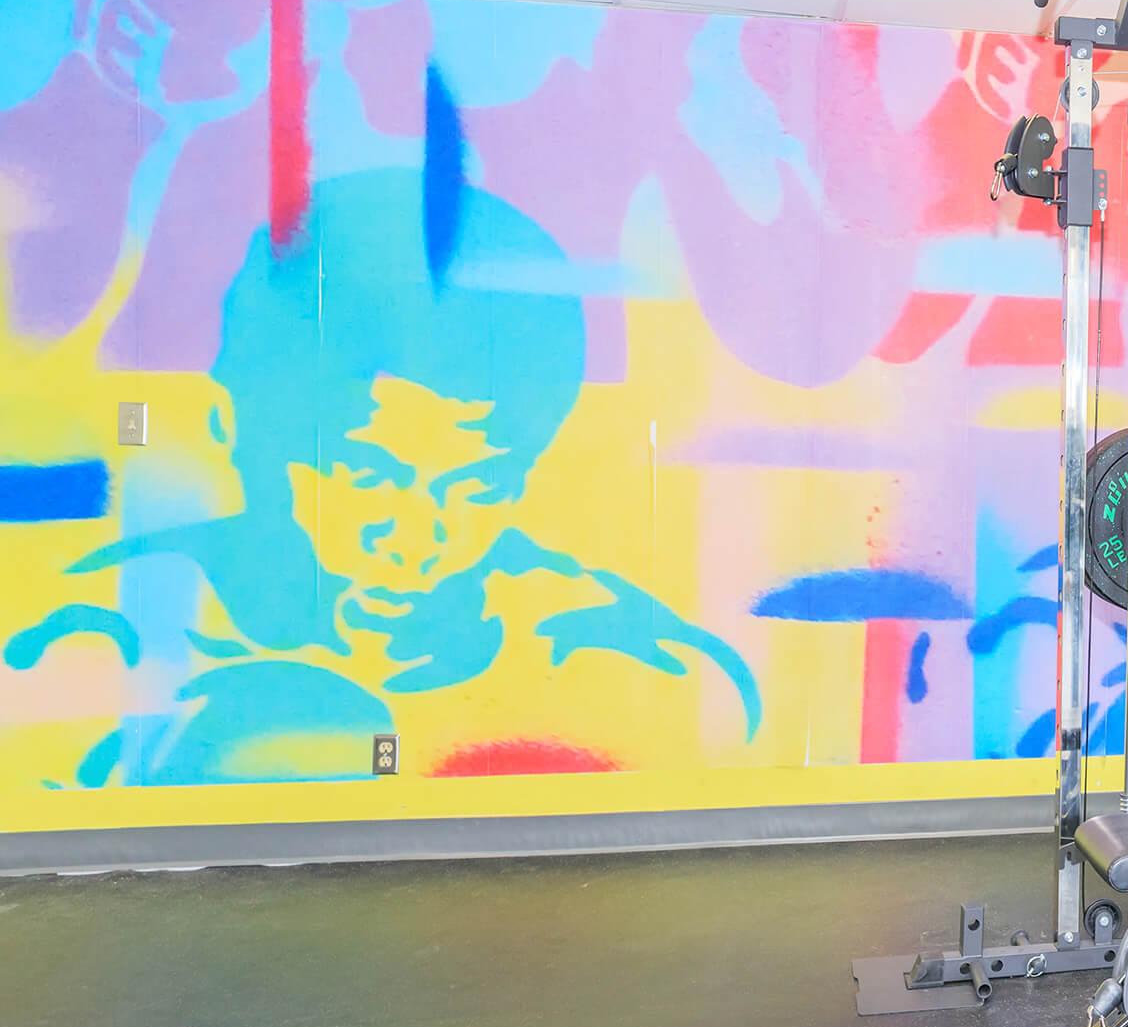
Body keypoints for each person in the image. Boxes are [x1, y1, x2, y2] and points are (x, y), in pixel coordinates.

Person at [5, 167, 759, 786]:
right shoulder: (90, 638)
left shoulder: (616, 651)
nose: (414, 535)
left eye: (475, 489)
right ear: (234, 425)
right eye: (366, 477)